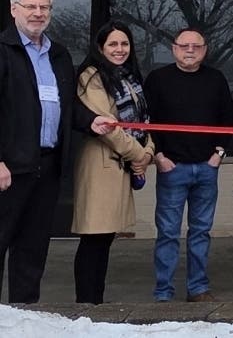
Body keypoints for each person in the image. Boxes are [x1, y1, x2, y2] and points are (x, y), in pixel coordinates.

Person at [0, 0, 95, 304]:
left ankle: (24, 315)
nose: (38, 14)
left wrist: (92, 121)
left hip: (48, 166)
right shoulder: (3, 51)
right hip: (9, 168)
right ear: (14, 10)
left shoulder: (59, 54)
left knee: (33, 247)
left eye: (44, 8)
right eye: (31, 7)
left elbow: (67, 103)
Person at [144, 27, 233, 303]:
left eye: (196, 46)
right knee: (168, 233)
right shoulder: (158, 80)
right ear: (174, 49)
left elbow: (227, 120)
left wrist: (218, 154)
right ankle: (164, 292)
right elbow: (147, 122)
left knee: (200, 232)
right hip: (172, 168)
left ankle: (198, 288)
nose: (190, 51)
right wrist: (159, 156)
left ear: (204, 50)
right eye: (184, 46)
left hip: (206, 168)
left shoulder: (216, 79)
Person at [71, 21, 156, 304]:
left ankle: (97, 301)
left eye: (125, 44)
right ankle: (87, 303)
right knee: (94, 237)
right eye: (113, 44)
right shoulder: (91, 77)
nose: (120, 50)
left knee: (105, 238)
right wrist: (139, 155)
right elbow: (108, 126)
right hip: (101, 165)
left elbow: (145, 122)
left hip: (122, 165)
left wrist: (149, 150)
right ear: (100, 47)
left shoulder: (130, 77)